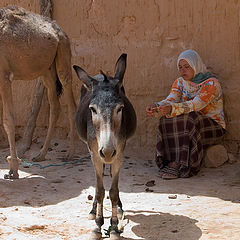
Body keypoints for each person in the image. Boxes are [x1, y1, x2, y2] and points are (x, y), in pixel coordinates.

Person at [146, 49, 226, 179]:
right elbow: (171, 99)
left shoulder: (211, 84)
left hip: (213, 127)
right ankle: (168, 161)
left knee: (190, 117)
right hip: (191, 125)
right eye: (180, 67)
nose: (183, 70)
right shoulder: (179, 82)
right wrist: (157, 106)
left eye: (186, 67)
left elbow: (196, 105)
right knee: (165, 119)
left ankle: (180, 164)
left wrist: (171, 109)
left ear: (195, 65)